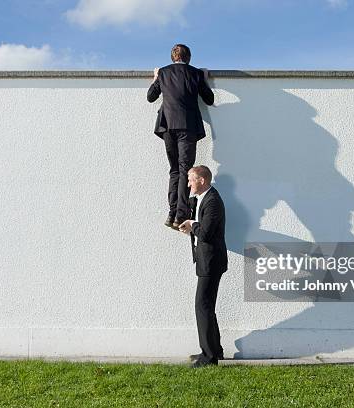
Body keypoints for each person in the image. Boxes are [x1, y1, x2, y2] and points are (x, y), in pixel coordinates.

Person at [147, 44, 214, 230]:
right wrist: (205, 79)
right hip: (188, 126)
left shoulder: (163, 73)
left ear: (172, 57)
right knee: (185, 169)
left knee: (175, 169)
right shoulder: (196, 74)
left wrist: (155, 78)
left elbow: (150, 97)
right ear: (189, 57)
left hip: (167, 125)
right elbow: (209, 99)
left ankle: (172, 212)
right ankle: (181, 215)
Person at [178, 165, 228, 367]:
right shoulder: (203, 199)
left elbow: (206, 233)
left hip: (211, 261)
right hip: (207, 260)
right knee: (207, 306)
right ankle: (215, 350)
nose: (189, 183)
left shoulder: (213, 201)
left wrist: (192, 225)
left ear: (202, 180)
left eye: (191, 180)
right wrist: (189, 223)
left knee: (202, 306)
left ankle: (208, 357)